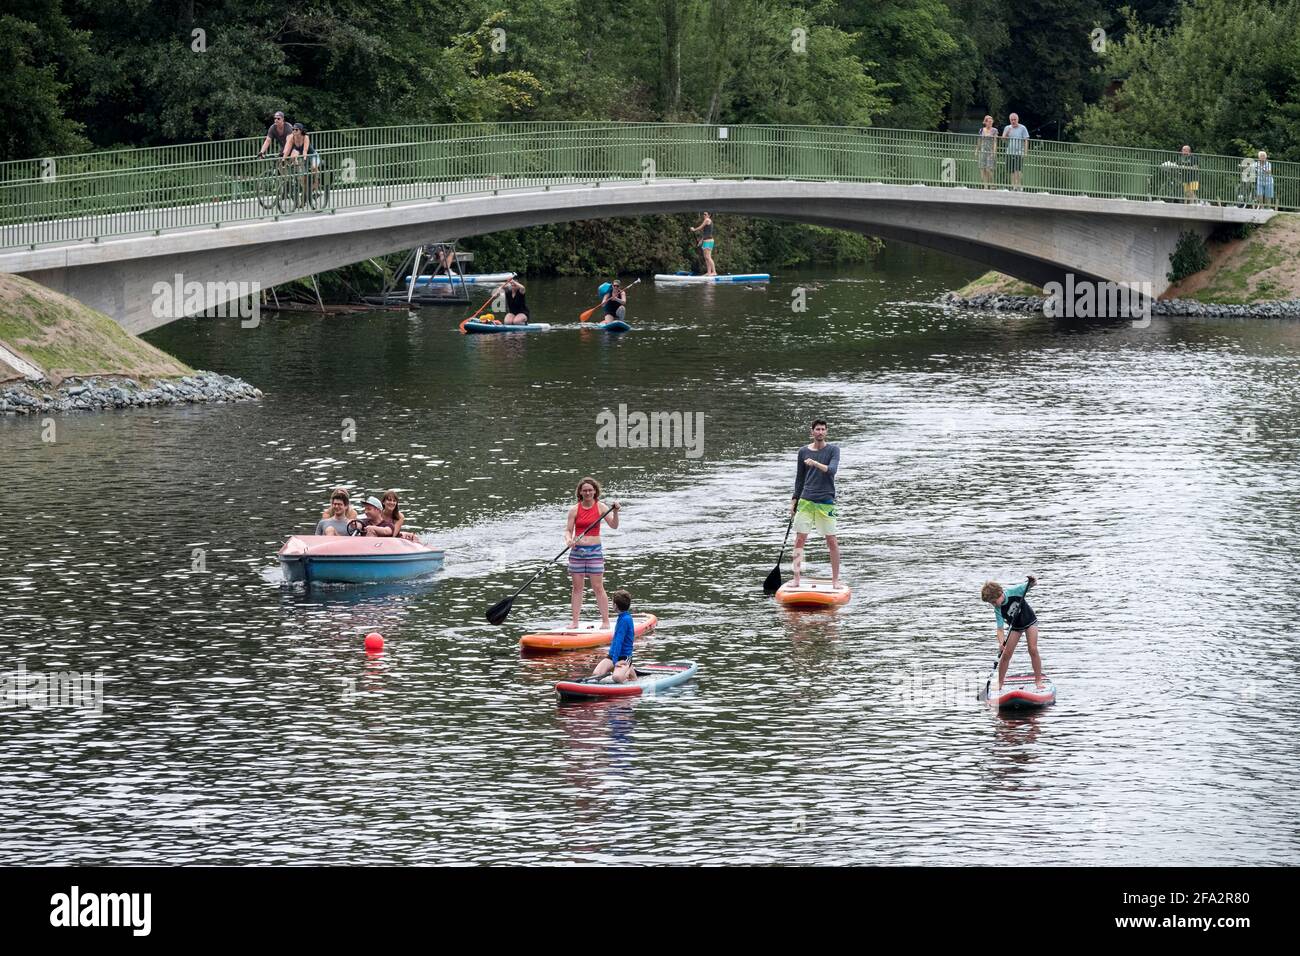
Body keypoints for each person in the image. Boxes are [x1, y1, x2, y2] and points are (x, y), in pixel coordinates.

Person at [790, 419, 840, 589]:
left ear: (826, 432)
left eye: (823, 429)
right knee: (799, 540)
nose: (820, 432)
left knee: (832, 541)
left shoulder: (833, 450)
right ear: (812, 432)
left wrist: (815, 463)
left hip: (826, 502)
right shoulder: (803, 452)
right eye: (817, 429)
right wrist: (794, 500)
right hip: (806, 501)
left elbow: (831, 470)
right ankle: (796, 578)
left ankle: (835, 581)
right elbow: (799, 479)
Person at [567, 477, 620, 628]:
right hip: (577, 552)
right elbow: (568, 531)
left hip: (594, 552)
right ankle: (575, 622)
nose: (588, 492)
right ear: (580, 492)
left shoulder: (601, 507)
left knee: (598, 587)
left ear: (595, 491)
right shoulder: (574, 509)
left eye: (590, 490)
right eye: (585, 490)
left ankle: (605, 621)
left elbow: (614, 526)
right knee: (577, 588)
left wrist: (615, 512)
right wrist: (569, 540)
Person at [981, 576, 1044, 690]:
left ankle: (1038, 681)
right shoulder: (998, 609)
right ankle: (1000, 684)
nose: (994, 604)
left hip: (1030, 621)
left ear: (1000, 593)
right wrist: (1001, 643)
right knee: (1006, 655)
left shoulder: (1015, 591)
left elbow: (1032, 584)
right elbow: (1000, 629)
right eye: (991, 603)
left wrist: (1032, 580)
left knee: (1033, 649)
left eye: (994, 601)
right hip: (1015, 627)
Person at [591, 590, 638, 683]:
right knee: (596, 675)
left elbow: (619, 642)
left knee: (617, 678)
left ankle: (630, 670)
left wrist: (616, 662)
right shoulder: (622, 617)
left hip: (624, 657)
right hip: (613, 655)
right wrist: (613, 660)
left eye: (612, 603)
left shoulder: (625, 620)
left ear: (615, 606)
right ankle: (622, 669)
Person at [282, 123, 321, 202]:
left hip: (312, 155)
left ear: (301, 130)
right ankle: (307, 190)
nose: (294, 131)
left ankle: (316, 188)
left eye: (296, 130)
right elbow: (287, 150)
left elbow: (305, 150)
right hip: (303, 156)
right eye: (293, 129)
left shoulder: (305, 137)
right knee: (302, 174)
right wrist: (283, 160)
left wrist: (304, 158)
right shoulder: (292, 138)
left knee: (314, 168)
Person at [1000, 113, 1029, 190]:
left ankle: (1018, 185)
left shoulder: (1023, 128)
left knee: (1018, 169)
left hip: (1019, 152)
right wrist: (1007, 133)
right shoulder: (1007, 127)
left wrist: (1025, 152)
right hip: (1009, 152)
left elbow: (1026, 140)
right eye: (1011, 120)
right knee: (1012, 170)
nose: (1013, 121)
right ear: (1010, 120)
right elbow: (1003, 139)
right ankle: (1014, 186)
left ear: (1017, 119)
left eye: (1014, 119)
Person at [976, 115, 998, 188]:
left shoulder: (994, 130)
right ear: (985, 122)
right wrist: (976, 150)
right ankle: (985, 186)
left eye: (991, 122)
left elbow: (995, 142)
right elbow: (979, 141)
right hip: (982, 151)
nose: (990, 123)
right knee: (982, 169)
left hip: (990, 151)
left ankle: (992, 184)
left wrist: (994, 152)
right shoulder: (981, 130)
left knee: (989, 169)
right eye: (989, 122)